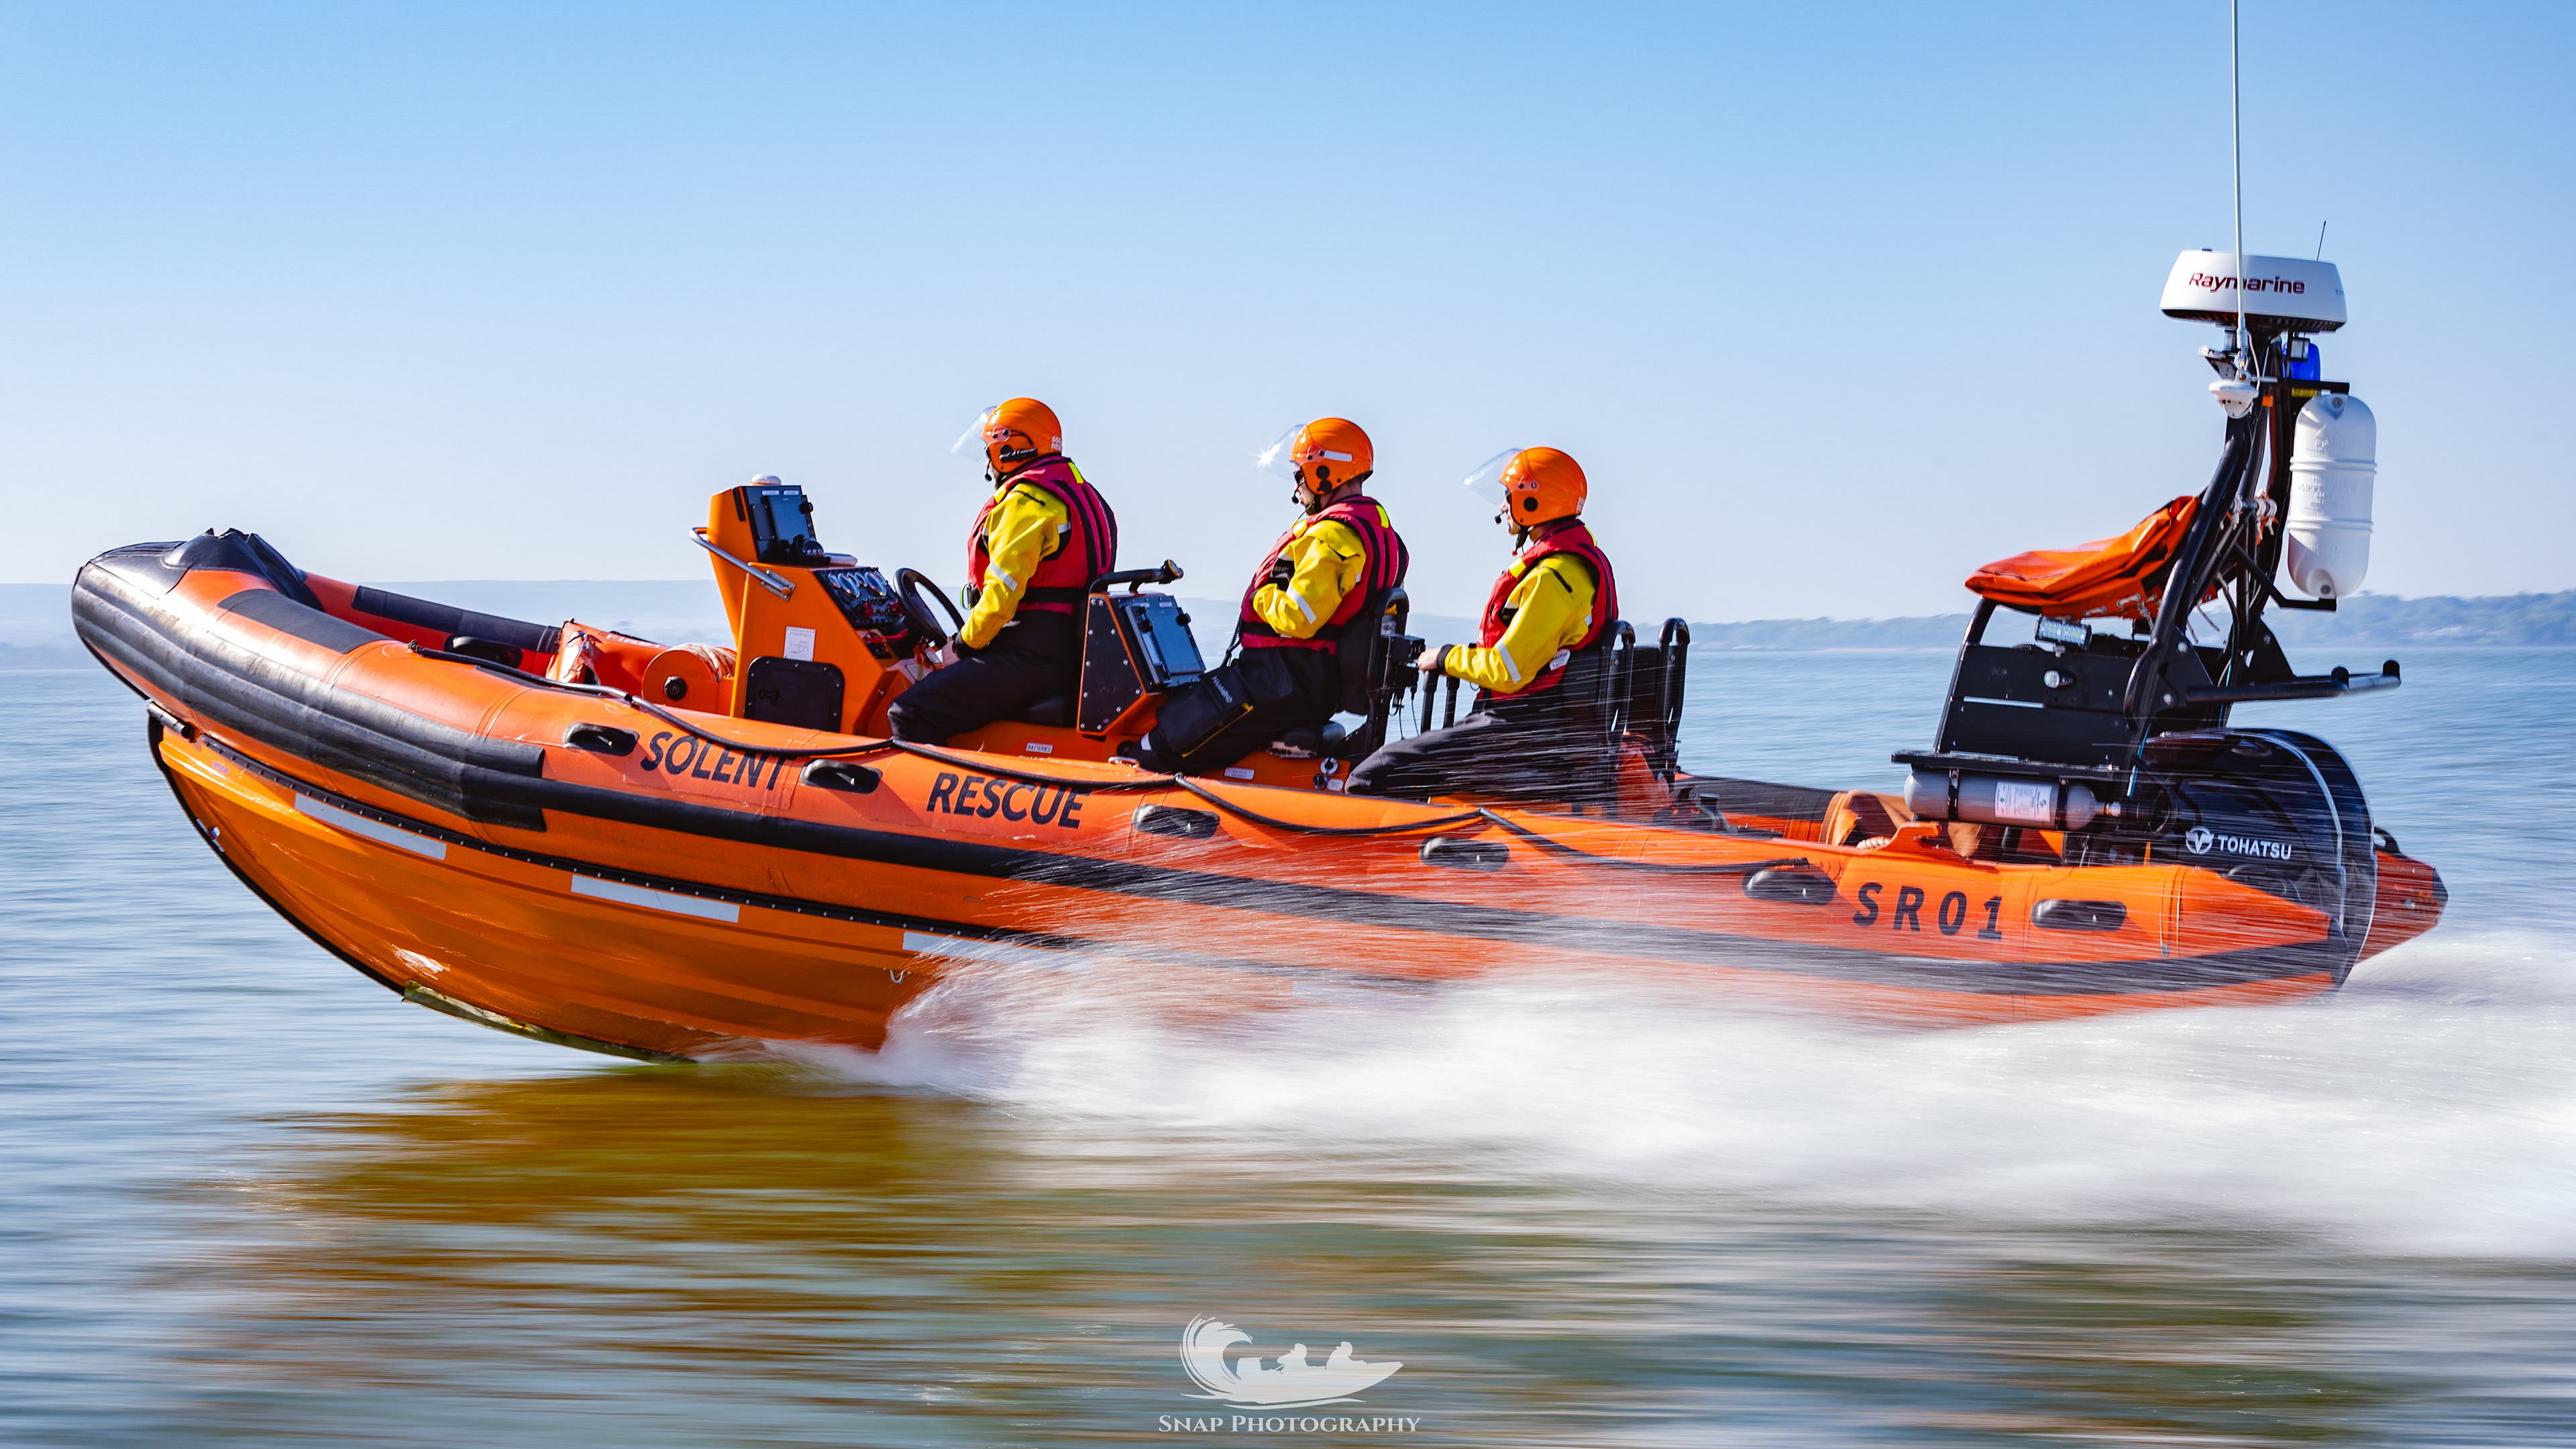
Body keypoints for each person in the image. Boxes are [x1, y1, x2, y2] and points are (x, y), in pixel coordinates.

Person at [1127, 417, 1407, 772]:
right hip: (1305, 679)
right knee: (1198, 705)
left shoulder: (1333, 537)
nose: (1298, 487)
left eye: (1301, 473)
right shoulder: (1380, 532)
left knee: (1166, 739)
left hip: (1285, 681)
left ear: (1326, 472)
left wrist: (1260, 596)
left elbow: (1298, 617)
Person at [1346, 446, 1619, 802]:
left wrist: (1445, 658)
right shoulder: (1572, 564)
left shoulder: (1553, 577)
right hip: (1539, 728)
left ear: (1535, 501)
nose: (1503, 506)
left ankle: (1382, 854)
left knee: (1370, 775)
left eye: (1509, 496)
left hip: (1521, 731)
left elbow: (1508, 668)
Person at [888, 398, 1117, 744]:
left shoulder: (1027, 502)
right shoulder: (1086, 495)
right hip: (1075, 651)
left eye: (992, 449)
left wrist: (962, 646)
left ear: (1011, 448)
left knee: (909, 712)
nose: (989, 463)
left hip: (1031, 654)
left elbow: (1000, 596)